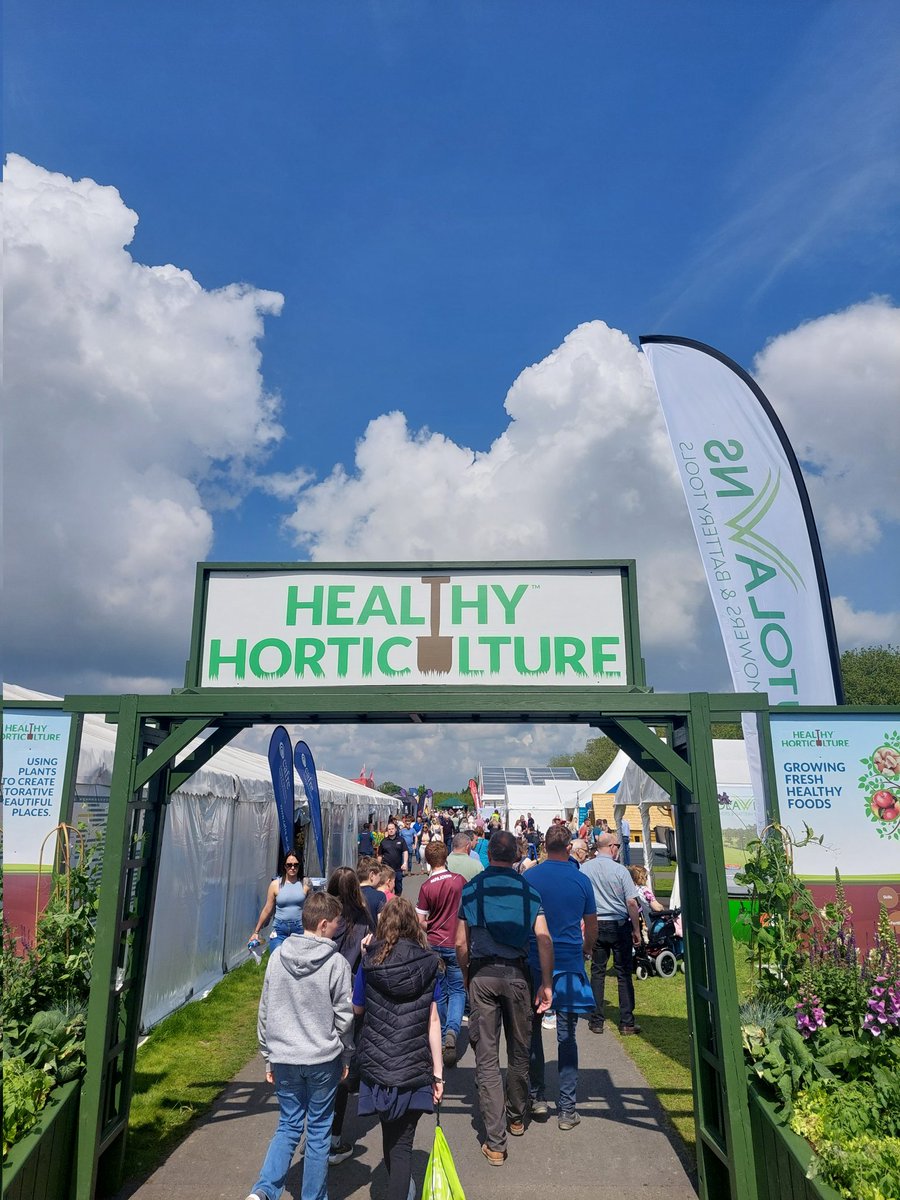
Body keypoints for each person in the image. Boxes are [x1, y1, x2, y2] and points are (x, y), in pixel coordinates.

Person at [245, 891, 353, 1200]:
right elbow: (344, 1017)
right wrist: (346, 1051)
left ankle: (264, 1190)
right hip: (322, 1057)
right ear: (322, 925)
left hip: (284, 1056)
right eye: (335, 923)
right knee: (318, 1132)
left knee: (288, 1125)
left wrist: (268, 1056)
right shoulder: (337, 963)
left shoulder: (277, 956)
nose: (338, 927)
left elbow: (265, 1009)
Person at [455, 830, 553, 1166]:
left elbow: (460, 944)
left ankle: (496, 1141)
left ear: (488, 853)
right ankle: (515, 1115)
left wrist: (467, 975)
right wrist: (547, 983)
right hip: (518, 974)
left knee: (485, 1056)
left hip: (482, 972)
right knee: (519, 1049)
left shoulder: (472, 889)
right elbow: (544, 939)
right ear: (515, 856)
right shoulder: (529, 891)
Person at [354, 897, 444, 1200]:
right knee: (403, 1144)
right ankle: (402, 1191)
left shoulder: (369, 962)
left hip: (378, 1062)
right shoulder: (429, 963)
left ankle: (400, 1189)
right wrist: (438, 1073)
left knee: (390, 1137)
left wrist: (364, 952)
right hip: (414, 1065)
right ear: (412, 924)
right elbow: (434, 1019)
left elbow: (357, 1007)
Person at [523, 825, 597, 1129]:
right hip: (568, 961)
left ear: (544, 845)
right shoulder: (581, 881)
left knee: (532, 1031)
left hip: (533, 960)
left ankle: (537, 1097)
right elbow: (591, 925)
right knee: (567, 1035)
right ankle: (567, 1108)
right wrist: (586, 950)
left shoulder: (529, 878)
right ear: (569, 847)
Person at [580, 832, 642, 1035]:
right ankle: (626, 1021)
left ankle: (596, 1020)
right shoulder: (620, 871)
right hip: (618, 923)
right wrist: (636, 929)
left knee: (597, 972)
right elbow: (631, 902)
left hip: (595, 923)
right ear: (613, 847)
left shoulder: (585, 868)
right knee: (623, 972)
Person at [416, 840, 466, 1067]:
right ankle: (452, 1032)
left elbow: (420, 921)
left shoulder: (427, 886)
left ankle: (445, 1029)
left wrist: (432, 927)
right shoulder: (459, 881)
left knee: (441, 991)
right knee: (457, 989)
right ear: (445, 858)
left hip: (435, 942)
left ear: (428, 861)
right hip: (456, 941)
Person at [251, 853, 310, 954]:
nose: (292, 868)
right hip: (280, 929)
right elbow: (267, 909)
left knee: (298, 962)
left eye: (296, 865)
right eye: (289, 865)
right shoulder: (275, 885)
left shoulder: (305, 883)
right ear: (284, 866)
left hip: (299, 929)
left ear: (299, 866)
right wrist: (256, 931)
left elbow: (311, 908)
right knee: (276, 959)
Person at [378, 820, 409, 896]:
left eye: (392, 829)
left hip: (398, 869)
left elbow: (405, 851)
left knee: (398, 887)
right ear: (387, 831)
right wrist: (378, 867)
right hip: (387, 869)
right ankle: (389, 902)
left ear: (395, 829)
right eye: (389, 829)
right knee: (387, 887)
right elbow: (380, 855)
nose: (391, 830)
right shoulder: (383, 842)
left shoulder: (401, 840)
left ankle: (397, 902)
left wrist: (405, 863)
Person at [358, 857, 387, 924]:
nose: (380, 879)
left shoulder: (350, 893)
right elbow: (382, 922)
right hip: (372, 933)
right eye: (379, 875)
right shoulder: (380, 896)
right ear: (372, 875)